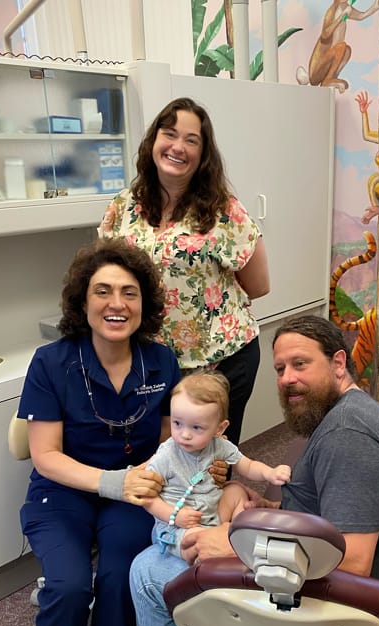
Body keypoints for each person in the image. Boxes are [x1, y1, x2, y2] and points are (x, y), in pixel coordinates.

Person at [129, 314, 379, 626]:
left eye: (300, 364)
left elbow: (354, 562)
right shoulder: (349, 415)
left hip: (339, 617)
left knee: (146, 571)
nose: (286, 379)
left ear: (339, 363)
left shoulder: (349, 437)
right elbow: (328, 516)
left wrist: (235, 543)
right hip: (330, 594)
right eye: (280, 369)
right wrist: (266, 507)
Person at [18, 238, 181, 626]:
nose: (117, 304)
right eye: (103, 291)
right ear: (82, 303)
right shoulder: (51, 361)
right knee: (67, 587)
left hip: (133, 491)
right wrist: (114, 481)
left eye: (129, 293)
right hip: (61, 491)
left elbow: (168, 441)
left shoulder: (161, 361)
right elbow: (44, 454)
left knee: (120, 579)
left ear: (144, 304)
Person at [98, 96, 270, 446]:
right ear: (153, 141)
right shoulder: (123, 207)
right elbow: (103, 280)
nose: (178, 147)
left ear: (203, 154)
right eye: (170, 134)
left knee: (211, 462)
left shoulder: (224, 210)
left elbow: (258, 285)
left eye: (192, 140)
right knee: (158, 457)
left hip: (221, 359)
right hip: (150, 363)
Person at [143, 371, 291, 558]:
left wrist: (270, 473)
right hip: (179, 527)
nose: (184, 434)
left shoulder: (219, 445)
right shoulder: (167, 454)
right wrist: (174, 515)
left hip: (212, 515)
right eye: (177, 423)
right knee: (195, 542)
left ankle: (238, 533)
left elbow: (248, 465)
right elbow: (147, 497)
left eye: (196, 427)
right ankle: (220, 552)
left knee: (237, 492)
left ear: (219, 429)